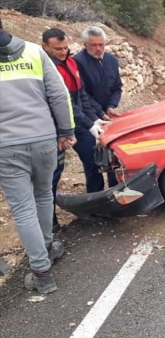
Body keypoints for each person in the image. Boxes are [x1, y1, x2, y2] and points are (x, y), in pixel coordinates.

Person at [0, 27, 76, 294]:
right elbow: (59, 94)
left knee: (22, 208)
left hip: (6, 146)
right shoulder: (34, 51)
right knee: (44, 194)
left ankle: (41, 273)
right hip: (44, 139)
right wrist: (66, 131)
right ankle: (47, 247)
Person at [42, 28, 110, 233]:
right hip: (53, 127)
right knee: (53, 174)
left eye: (65, 48)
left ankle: (95, 206)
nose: (62, 52)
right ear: (44, 46)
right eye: (57, 49)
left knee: (93, 160)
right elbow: (64, 104)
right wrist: (89, 124)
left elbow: (81, 96)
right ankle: (50, 223)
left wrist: (95, 118)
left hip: (77, 123)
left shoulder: (70, 62)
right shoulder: (45, 69)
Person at [73, 26, 119, 189]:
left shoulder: (112, 61)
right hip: (86, 118)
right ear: (85, 44)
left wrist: (112, 106)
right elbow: (83, 94)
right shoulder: (77, 63)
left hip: (108, 117)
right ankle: (95, 199)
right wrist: (99, 113)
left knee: (114, 155)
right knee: (92, 160)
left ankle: (116, 192)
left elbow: (117, 87)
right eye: (94, 45)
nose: (98, 48)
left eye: (101, 44)